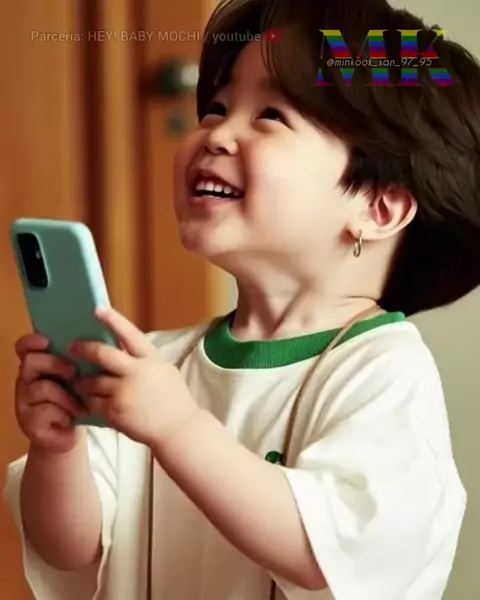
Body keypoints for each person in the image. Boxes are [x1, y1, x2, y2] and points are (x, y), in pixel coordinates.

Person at [4, 0, 480, 598]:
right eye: (217, 108)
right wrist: (57, 449)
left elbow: (327, 553)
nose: (217, 134)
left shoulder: (381, 371)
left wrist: (176, 428)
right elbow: (70, 549)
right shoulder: (156, 366)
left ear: (377, 208)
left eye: (271, 115)